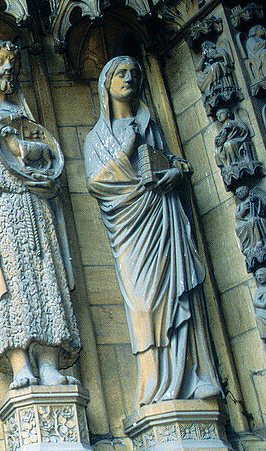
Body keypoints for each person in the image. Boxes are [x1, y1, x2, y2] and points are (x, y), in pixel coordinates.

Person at [84, 56, 222, 406]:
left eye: (134, 73)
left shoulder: (151, 126)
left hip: (164, 215)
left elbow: (170, 161)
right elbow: (97, 183)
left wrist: (176, 173)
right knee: (144, 304)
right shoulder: (96, 138)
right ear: (106, 84)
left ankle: (191, 376)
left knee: (179, 294)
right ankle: (153, 381)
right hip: (130, 227)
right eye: (120, 73)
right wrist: (127, 148)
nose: (129, 78)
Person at [0, 40, 80, 391]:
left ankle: (50, 361)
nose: (7, 68)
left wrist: (26, 149)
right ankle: (20, 362)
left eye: (12, 62)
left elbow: (46, 150)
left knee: (46, 278)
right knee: (11, 283)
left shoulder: (24, 113)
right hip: (2, 209)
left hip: (36, 205)